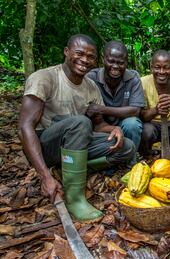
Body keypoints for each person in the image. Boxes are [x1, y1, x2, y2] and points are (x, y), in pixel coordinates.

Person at [18, 34, 135, 221]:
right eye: (79, 53)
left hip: (76, 143)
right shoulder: (44, 78)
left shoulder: (91, 86)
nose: (85, 60)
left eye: (90, 57)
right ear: (66, 52)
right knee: (80, 122)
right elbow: (25, 127)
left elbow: (99, 124)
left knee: (126, 146)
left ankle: (73, 169)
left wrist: (114, 129)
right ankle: (75, 198)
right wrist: (45, 176)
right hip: (46, 146)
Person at [87, 41, 144, 164]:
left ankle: (131, 163)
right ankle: (110, 163)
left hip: (124, 123)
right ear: (104, 59)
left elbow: (135, 110)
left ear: (126, 62)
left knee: (133, 124)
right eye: (111, 61)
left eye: (120, 63)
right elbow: (89, 110)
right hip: (100, 126)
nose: (115, 66)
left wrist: (101, 109)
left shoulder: (133, 78)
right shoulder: (91, 78)